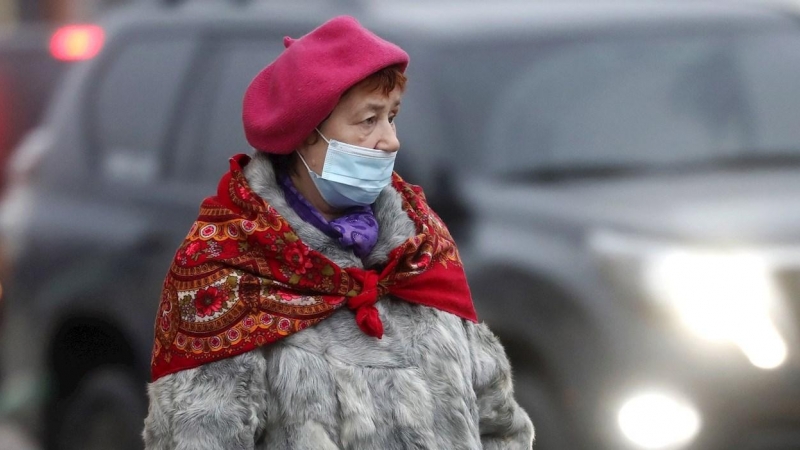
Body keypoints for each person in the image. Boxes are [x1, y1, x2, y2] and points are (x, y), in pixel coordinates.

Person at [143, 16, 534, 450]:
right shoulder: (228, 264)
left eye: (392, 117)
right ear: (305, 133)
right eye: (368, 120)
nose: (390, 140)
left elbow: (498, 424)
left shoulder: (421, 247)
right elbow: (199, 437)